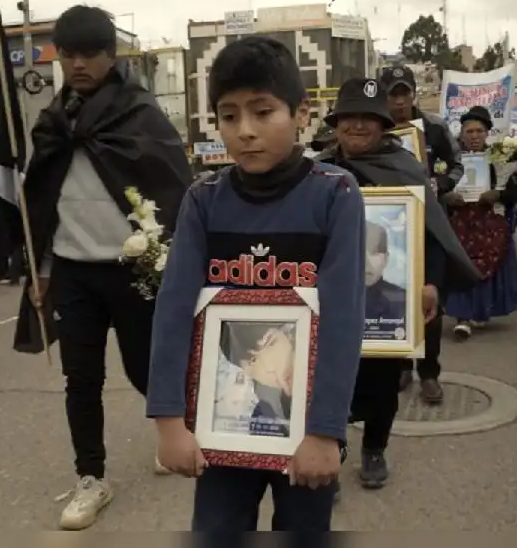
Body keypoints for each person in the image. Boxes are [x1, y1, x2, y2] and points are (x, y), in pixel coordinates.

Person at [147, 36, 364, 534]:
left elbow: (343, 319)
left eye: (263, 112)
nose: (245, 130)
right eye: (229, 116)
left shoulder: (335, 193)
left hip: (305, 429)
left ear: (301, 113)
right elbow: (174, 311)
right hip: (223, 425)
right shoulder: (204, 199)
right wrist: (169, 421)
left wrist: (325, 431)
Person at [13, 5, 192, 530]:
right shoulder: (53, 123)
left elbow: (173, 188)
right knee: (81, 379)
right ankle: (90, 477)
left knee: (145, 369)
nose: (78, 64)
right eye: (68, 54)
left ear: (111, 56)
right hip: (73, 273)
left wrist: (171, 261)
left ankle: (172, 434)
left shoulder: (139, 114)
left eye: (90, 54)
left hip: (133, 271)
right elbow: (43, 203)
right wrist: (42, 270)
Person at [315, 77, 478, 489]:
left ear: (383, 125)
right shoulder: (317, 172)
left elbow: (431, 232)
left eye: (367, 118)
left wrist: (430, 282)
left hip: (387, 305)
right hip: (329, 300)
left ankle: (375, 448)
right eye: (348, 117)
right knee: (328, 381)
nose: (357, 125)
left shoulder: (406, 169)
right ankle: (330, 455)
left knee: (383, 381)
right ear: (336, 123)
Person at [379, 64, 465, 392]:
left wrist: (440, 185)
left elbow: (457, 164)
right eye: (393, 95)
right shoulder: (377, 129)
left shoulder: (435, 127)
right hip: (392, 226)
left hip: (431, 225)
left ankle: (429, 374)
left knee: (430, 297)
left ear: (414, 94)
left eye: (405, 94)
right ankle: (401, 366)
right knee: (396, 297)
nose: (399, 102)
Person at [443, 106, 517, 339]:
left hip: (490, 225)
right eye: (469, 131)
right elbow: (437, 187)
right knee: (461, 266)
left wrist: (498, 194)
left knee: (486, 267)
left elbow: (516, 192)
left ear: (487, 133)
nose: (474, 136)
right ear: (461, 134)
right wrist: (447, 196)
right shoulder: (451, 160)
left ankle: (479, 310)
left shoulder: (499, 160)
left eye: (479, 131)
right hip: (460, 224)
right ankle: (462, 317)